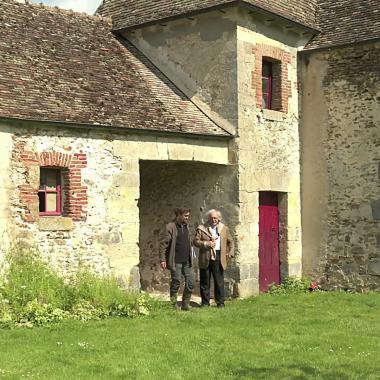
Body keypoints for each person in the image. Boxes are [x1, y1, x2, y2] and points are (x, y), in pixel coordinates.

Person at [193, 209, 234, 308]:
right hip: (205, 256)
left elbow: (231, 241)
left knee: (219, 281)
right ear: (208, 218)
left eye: (215, 218)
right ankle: (205, 303)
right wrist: (206, 244)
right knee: (204, 281)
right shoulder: (201, 228)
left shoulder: (224, 228)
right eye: (211, 218)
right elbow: (195, 241)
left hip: (219, 257)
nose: (213, 220)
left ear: (219, 218)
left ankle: (220, 303)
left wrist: (230, 252)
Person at [159, 207, 194, 311]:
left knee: (191, 282)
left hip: (187, 261)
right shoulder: (170, 227)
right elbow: (163, 244)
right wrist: (162, 259)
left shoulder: (186, 226)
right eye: (185, 216)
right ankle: (173, 305)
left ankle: (185, 305)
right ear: (178, 215)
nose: (187, 218)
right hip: (175, 261)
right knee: (176, 282)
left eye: (188, 215)